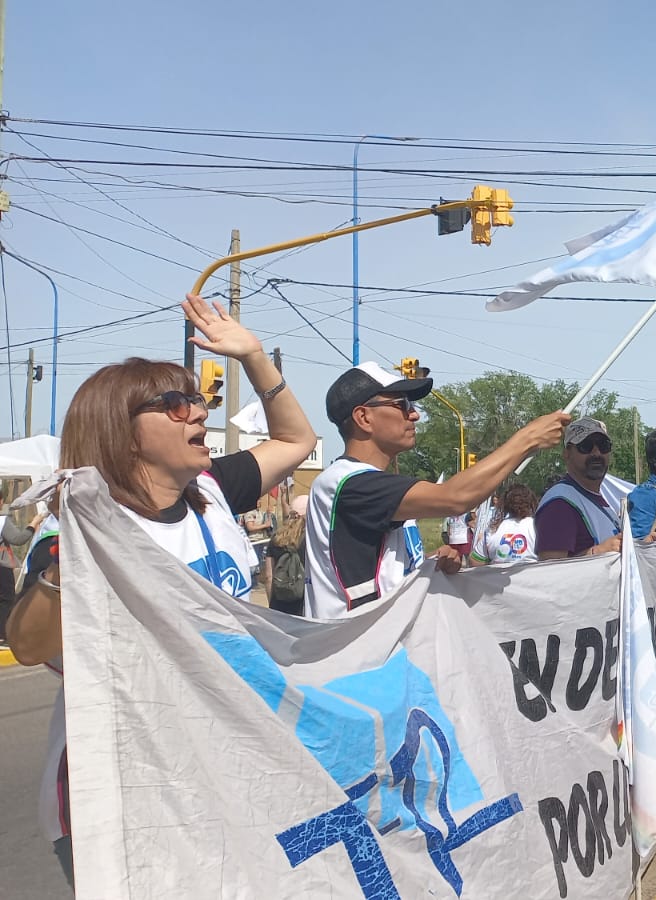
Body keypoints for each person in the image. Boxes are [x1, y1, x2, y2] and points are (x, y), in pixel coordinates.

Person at [5, 295, 318, 886]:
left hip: (232, 765)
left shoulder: (213, 490)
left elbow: (296, 441)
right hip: (133, 787)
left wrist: (254, 356)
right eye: (174, 404)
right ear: (121, 434)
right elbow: (26, 644)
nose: (197, 412)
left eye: (196, 399)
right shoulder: (77, 526)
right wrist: (68, 565)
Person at [306, 361, 569, 618]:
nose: (414, 414)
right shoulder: (348, 483)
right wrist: (527, 439)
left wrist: (430, 563)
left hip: (376, 649)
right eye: (402, 404)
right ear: (363, 417)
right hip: (355, 652)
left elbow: (380, 571)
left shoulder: (370, 485)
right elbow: (455, 497)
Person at [534, 418, 623, 560]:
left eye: (603, 446)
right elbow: (550, 571)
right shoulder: (560, 504)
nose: (596, 453)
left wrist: (639, 544)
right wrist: (599, 551)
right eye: (586, 446)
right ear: (567, 453)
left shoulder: (596, 499)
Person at [470, 484, 539, 565]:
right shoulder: (538, 527)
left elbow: (475, 561)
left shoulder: (493, 529)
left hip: (499, 577)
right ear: (531, 503)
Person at [266, 494, 309, 615]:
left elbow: (269, 577)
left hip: (279, 605)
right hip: (303, 606)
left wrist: (272, 605)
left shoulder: (276, 538)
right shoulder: (310, 540)